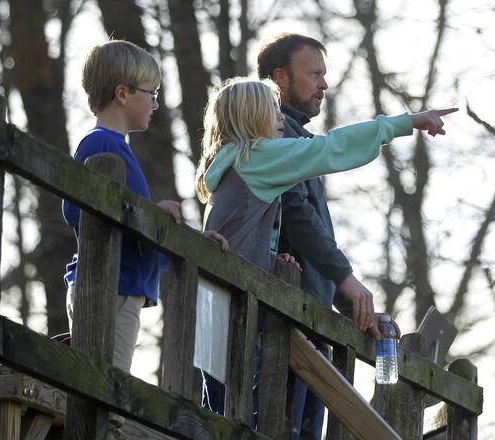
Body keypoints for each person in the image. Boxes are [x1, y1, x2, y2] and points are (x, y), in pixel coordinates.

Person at [194, 76, 454, 428]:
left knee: (218, 417)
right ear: (251, 118)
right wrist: (406, 122)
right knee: (240, 422)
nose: (281, 117)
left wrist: (271, 262)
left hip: (214, 318)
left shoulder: (234, 167)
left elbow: (239, 237)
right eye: (272, 110)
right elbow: (331, 148)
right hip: (237, 318)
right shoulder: (257, 157)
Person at [257, 33, 409, 439]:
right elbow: (295, 215)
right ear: (280, 78)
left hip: (310, 324)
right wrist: (347, 278)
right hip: (277, 329)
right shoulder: (272, 139)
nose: (324, 84)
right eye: (314, 74)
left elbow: (312, 241)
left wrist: (352, 305)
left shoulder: (298, 139)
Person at [62, 40, 228, 375]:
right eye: (151, 93)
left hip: (117, 287)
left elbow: (139, 228)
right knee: (107, 389)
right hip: (109, 287)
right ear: (122, 94)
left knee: (103, 385)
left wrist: (191, 243)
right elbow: (77, 209)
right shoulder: (101, 145)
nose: (155, 103)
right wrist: (148, 211)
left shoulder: (114, 147)